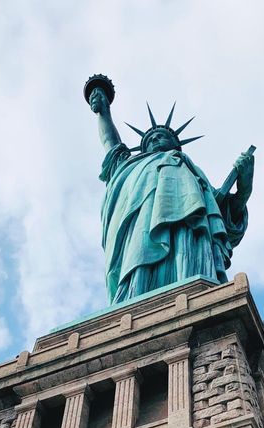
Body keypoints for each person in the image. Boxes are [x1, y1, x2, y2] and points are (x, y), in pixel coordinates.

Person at [88, 85, 254, 303]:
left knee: (189, 270)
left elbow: (224, 216)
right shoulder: (129, 166)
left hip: (189, 232)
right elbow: (111, 144)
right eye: (151, 139)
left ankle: (192, 290)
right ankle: (135, 301)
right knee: (138, 271)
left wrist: (244, 187)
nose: (156, 139)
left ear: (176, 145)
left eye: (162, 137)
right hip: (139, 233)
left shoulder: (189, 171)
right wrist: (103, 112)